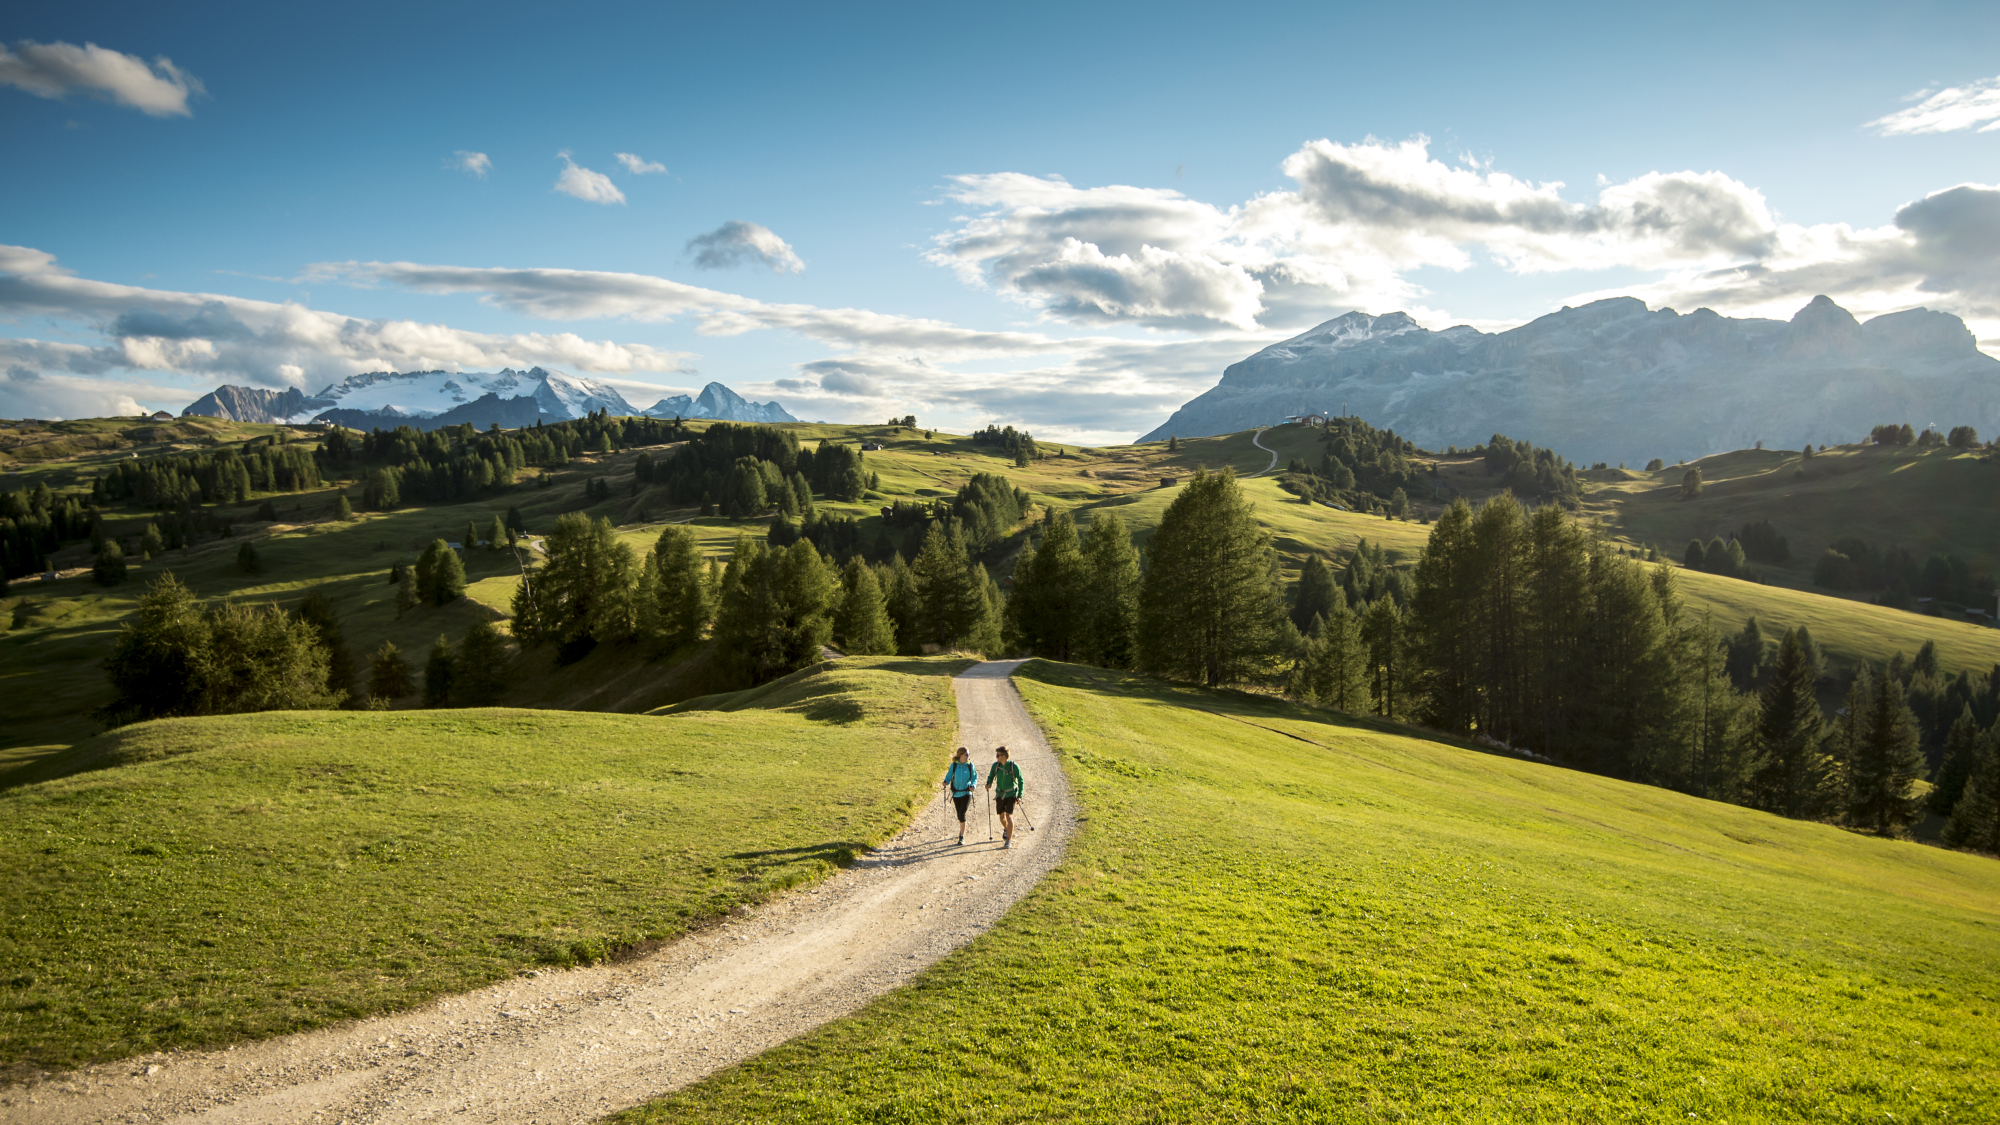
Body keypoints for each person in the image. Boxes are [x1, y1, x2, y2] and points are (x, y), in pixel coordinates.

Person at [985, 745, 1024, 848]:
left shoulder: (1013, 766)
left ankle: (1009, 840)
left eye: (998, 755)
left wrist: (1019, 796)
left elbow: (1020, 780)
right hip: (999, 794)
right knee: (1001, 817)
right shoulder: (996, 766)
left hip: (1010, 795)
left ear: (1004, 756)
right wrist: (989, 783)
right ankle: (1007, 829)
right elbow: (991, 776)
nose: (996, 757)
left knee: (1008, 816)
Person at [942, 747, 977, 846]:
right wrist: (946, 782)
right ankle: (962, 829)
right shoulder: (954, 766)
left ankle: (961, 836)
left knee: (962, 814)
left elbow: (975, 777)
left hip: (967, 793)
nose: (968, 756)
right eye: (966, 754)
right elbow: (949, 776)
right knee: (959, 815)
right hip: (956, 793)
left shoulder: (970, 765)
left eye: (969, 754)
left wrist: (973, 785)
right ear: (961, 755)